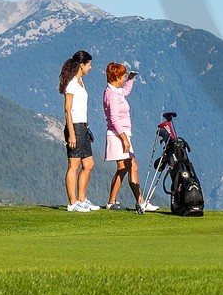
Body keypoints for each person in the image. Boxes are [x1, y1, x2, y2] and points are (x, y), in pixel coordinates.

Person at [102, 62, 154, 212]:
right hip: (118, 135)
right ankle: (139, 202)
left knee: (126, 168)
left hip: (122, 134)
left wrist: (131, 79)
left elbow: (125, 91)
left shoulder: (115, 91)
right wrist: (124, 139)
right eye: (123, 75)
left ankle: (117, 202)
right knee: (130, 166)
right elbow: (114, 119)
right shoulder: (112, 95)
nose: (124, 77)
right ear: (117, 77)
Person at [58, 50, 96, 212]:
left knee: (88, 164)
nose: (91, 68)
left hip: (83, 126)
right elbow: (67, 110)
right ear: (82, 65)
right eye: (89, 64)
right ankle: (72, 203)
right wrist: (72, 133)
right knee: (73, 165)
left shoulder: (80, 82)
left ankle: (81, 199)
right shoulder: (72, 83)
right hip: (75, 126)